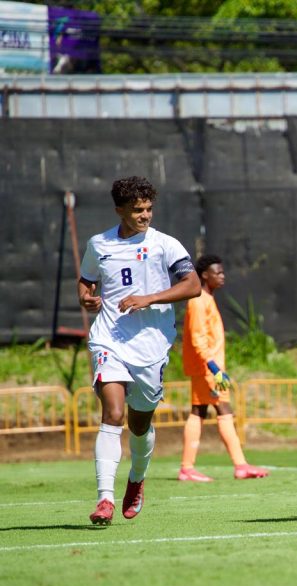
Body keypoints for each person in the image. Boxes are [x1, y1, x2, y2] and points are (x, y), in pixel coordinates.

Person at [78, 176, 201, 525]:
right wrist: (85, 297)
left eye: (148, 209)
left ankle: (136, 479)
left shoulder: (166, 245)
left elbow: (192, 285)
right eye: (137, 210)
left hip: (151, 346)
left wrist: (149, 298)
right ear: (120, 210)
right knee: (113, 413)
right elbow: (87, 280)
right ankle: (105, 499)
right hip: (109, 339)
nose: (145, 215)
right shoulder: (99, 244)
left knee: (139, 423)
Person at [178, 254, 269, 482]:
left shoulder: (206, 298)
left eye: (222, 272)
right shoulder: (198, 299)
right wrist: (213, 367)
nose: (222, 276)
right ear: (204, 276)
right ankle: (239, 465)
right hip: (208, 369)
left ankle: (188, 467)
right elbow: (198, 338)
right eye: (217, 273)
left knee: (199, 411)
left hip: (207, 367)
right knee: (223, 409)